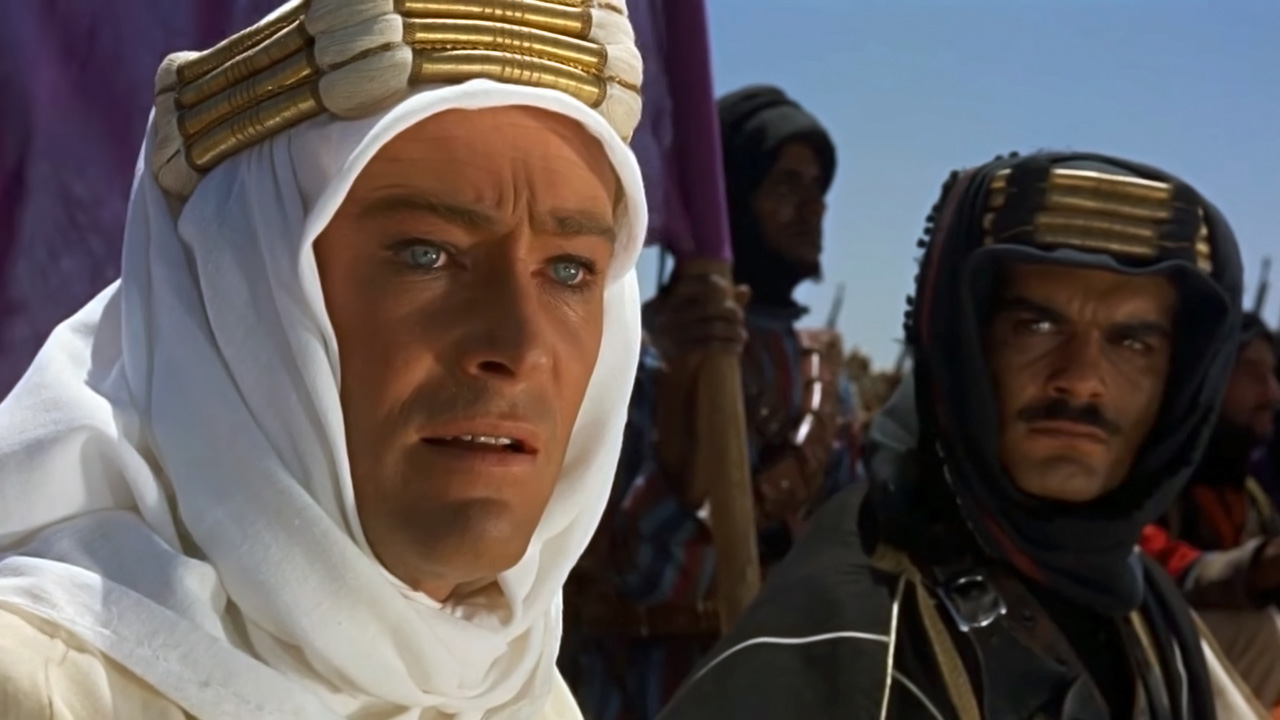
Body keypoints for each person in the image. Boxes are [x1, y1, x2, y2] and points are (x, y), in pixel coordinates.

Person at [0, 1, 646, 718]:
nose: (518, 349)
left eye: (568, 271)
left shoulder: (526, 696)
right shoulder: (43, 689)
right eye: (426, 256)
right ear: (241, 300)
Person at [655, 151, 1269, 719]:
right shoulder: (844, 642)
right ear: (965, 348)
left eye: (1131, 342)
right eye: (1037, 326)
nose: (1082, 380)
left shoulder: (1148, 614)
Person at [560, 85, 861, 720]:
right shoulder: (623, 350)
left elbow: (844, 561)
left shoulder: (825, 384)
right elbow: (601, 542)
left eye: (819, 189)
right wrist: (675, 384)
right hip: (627, 687)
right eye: (786, 184)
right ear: (731, 199)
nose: (812, 208)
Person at [1141, 313, 1280, 709]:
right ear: (1209, 373)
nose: (1271, 392)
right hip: (1152, 647)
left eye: (1272, 374)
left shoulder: (1248, 494)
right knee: (1262, 633)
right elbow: (1148, 564)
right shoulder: (1152, 474)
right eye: (1252, 370)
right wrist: (1257, 567)